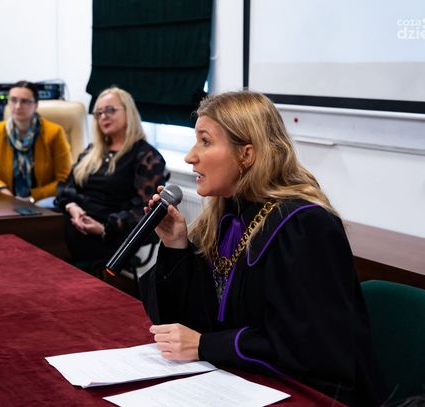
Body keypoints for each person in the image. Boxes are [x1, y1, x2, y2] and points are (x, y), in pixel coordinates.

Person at [143, 90, 385, 406]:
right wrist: (175, 245)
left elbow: (306, 346)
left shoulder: (303, 226)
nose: (190, 156)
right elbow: (192, 323)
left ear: (246, 154)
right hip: (237, 384)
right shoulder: (225, 217)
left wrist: (205, 346)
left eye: (205, 142)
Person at [54, 87, 166, 263]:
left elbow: (146, 210)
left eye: (110, 110)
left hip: (109, 234)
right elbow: (66, 186)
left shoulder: (146, 156)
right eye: (99, 113)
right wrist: (72, 207)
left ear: (128, 112)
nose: (103, 116)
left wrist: (103, 229)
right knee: (36, 227)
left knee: (48, 243)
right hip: (74, 218)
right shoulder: (92, 151)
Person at [0, 80, 72, 202]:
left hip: (43, 201)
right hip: (8, 201)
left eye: (25, 101)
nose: (17, 106)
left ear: (36, 106)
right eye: (13, 100)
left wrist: (32, 197)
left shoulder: (54, 133)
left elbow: (64, 180)